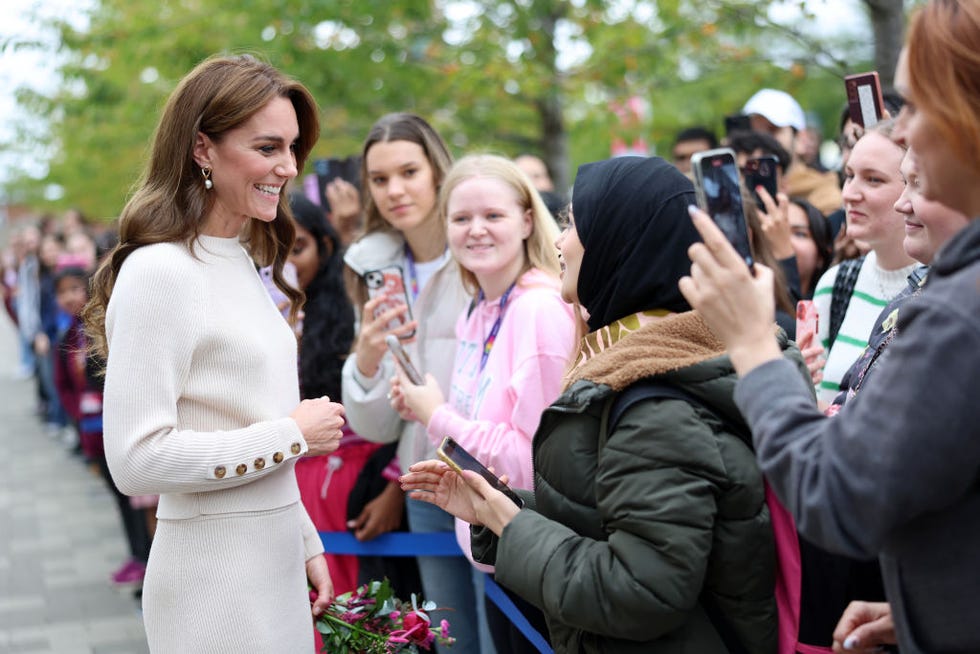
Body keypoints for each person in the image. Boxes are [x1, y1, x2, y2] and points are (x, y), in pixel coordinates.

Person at [679, 2, 980, 649]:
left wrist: (755, 345)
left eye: (915, 106)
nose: (904, 134)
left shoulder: (958, 312)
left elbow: (837, 496)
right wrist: (929, 603)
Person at [402, 156, 781, 653]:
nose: (559, 241)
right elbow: (609, 519)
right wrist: (500, 509)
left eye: (576, 223)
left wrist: (514, 528)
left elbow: (641, 591)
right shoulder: (644, 366)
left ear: (622, 240)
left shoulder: (655, 401)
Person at [82, 54, 345, 652]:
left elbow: (240, 418)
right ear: (203, 149)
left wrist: (302, 540)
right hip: (213, 585)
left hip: (272, 567)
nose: (287, 166)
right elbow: (136, 460)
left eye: (292, 147)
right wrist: (292, 436)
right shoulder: (160, 271)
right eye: (267, 147)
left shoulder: (241, 261)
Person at [390, 154, 575, 653]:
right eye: (461, 218)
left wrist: (437, 416)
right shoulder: (481, 306)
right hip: (494, 545)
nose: (476, 230)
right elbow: (485, 421)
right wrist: (424, 405)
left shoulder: (538, 310)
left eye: (493, 216)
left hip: (533, 552)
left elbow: (539, 460)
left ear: (527, 220)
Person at [339, 113, 480, 653]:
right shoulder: (373, 267)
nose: (395, 190)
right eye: (380, 179)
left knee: (506, 635)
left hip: (496, 475)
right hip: (424, 484)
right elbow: (374, 425)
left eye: (408, 172)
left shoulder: (480, 243)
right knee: (452, 641)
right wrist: (369, 359)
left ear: (437, 171)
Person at [52, 265, 153, 586]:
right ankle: (136, 554)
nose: (69, 297)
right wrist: (79, 416)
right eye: (62, 292)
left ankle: (147, 558)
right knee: (118, 496)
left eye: (75, 289)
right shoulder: (67, 336)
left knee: (136, 498)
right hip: (92, 433)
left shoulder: (105, 328)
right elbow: (64, 384)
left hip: (117, 428)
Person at [810, 122, 917, 405]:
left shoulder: (949, 289)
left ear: (914, 184)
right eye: (848, 175)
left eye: (873, 180)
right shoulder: (836, 284)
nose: (850, 194)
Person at [742, 89, 842, 215]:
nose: (762, 140)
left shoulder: (826, 198)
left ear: (801, 139)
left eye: (773, 130)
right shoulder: (739, 192)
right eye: (754, 133)